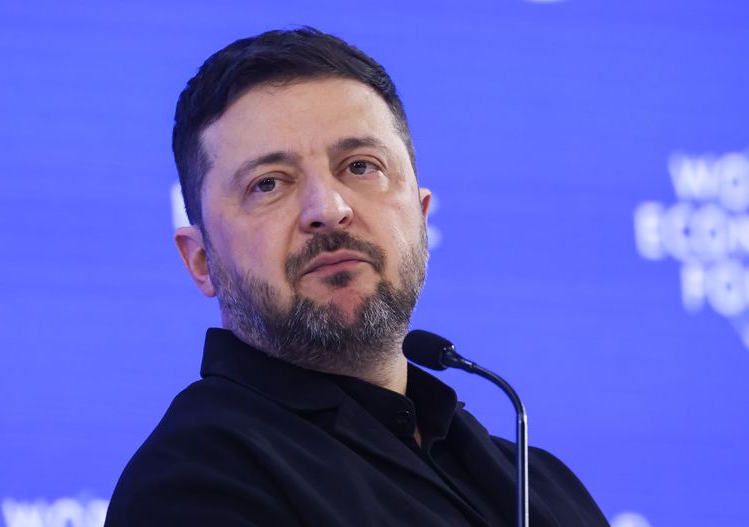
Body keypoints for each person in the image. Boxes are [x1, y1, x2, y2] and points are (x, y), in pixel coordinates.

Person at [105, 27, 608, 526]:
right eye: (269, 183)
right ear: (201, 260)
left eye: (361, 166)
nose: (328, 209)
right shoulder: (190, 484)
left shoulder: (541, 485)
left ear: (421, 215)